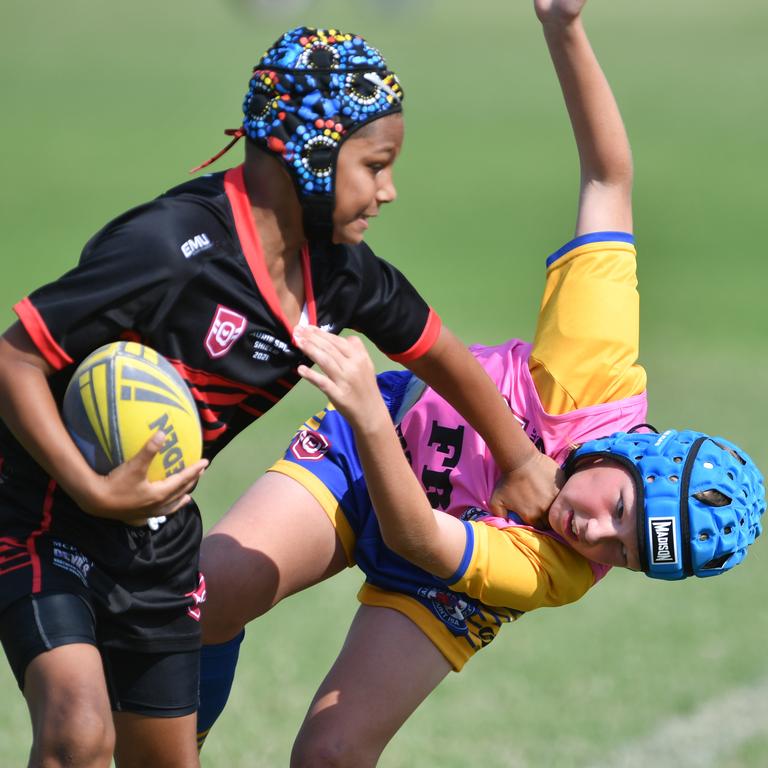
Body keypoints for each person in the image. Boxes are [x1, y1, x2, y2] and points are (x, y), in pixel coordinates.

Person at [197, 2, 766, 765]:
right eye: (620, 512)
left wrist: (365, 408)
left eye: (625, 554)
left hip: (440, 571)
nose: (596, 536)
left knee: (331, 753)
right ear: (637, 455)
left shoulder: (563, 570)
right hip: (362, 460)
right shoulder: (594, 372)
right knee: (205, 599)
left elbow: (423, 542)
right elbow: (608, 179)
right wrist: (563, 28)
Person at [0, 27, 556, 768]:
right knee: (79, 731)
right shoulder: (170, 247)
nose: (388, 190)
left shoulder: (340, 274)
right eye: (375, 166)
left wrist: (517, 457)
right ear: (313, 155)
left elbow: (441, 352)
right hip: (39, 512)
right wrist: (95, 490)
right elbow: (13, 360)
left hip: (159, 537)